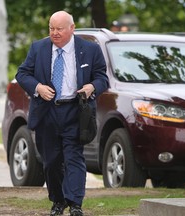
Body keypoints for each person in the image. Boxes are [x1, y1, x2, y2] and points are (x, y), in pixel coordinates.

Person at [16, 11, 109, 216]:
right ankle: (58, 201)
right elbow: (22, 74)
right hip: (47, 112)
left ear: (72, 28)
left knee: (74, 157)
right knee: (51, 162)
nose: (54, 33)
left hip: (75, 111)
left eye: (59, 29)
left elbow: (102, 78)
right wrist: (38, 87)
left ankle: (75, 204)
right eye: (51, 28)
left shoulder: (90, 50)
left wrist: (92, 87)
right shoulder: (38, 48)